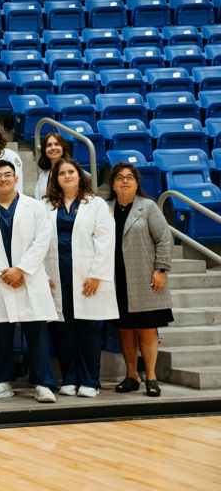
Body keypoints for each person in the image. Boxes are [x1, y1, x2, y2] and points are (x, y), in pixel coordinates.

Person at [0, 159, 59, 403]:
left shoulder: (35, 207)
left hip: (29, 278)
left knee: (37, 335)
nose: (3, 179)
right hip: (0, 280)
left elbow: (43, 240)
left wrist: (20, 270)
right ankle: (2, 381)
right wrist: (4, 272)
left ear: (16, 178)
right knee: (1, 335)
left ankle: (44, 383)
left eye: (7, 174)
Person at [45, 158, 116, 398]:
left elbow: (105, 241)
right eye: (61, 173)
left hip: (87, 277)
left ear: (79, 175)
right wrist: (43, 274)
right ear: (55, 178)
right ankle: (69, 378)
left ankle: (90, 381)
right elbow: (37, 242)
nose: (66, 176)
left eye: (71, 172)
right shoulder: (45, 205)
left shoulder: (95, 204)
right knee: (64, 331)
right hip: (58, 275)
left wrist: (97, 274)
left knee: (88, 329)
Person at [106, 162, 174, 397]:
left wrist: (161, 269)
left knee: (146, 328)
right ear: (113, 184)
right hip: (117, 280)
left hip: (146, 278)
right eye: (120, 177)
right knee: (125, 329)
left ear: (136, 184)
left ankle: (151, 377)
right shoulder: (104, 209)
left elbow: (164, 239)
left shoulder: (148, 207)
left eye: (130, 177)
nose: (125, 180)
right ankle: (131, 375)